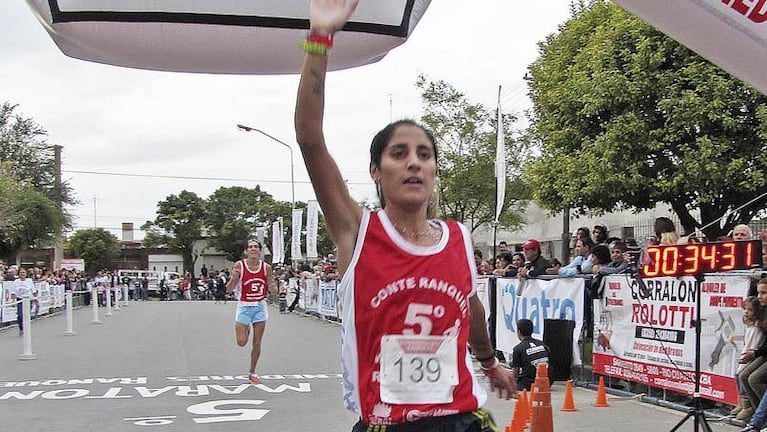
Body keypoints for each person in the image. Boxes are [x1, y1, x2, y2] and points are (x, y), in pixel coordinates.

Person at [294, 2, 515, 429]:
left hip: (460, 418)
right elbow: (309, 138)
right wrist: (320, 38)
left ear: (434, 171)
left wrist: (489, 363)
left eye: (424, 154)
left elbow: (471, 310)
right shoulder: (357, 231)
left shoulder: (457, 238)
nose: (414, 163)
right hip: (387, 423)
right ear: (377, 171)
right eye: (399, 153)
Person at [226, 238, 277, 385]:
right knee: (241, 342)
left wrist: (274, 288)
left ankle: (252, 372)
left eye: (256, 247)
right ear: (246, 250)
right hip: (244, 306)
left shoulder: (266, 267)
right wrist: (234, 279)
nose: (253, 249)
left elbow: (271, 285)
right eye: (250, 247)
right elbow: (229, 289)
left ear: (260, 250)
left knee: (257, 342)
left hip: (260, 306)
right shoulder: (240, 265)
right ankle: (246, 329)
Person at [731, 296, 765, 419]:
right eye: (744, 309)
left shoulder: (757, 327)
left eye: (749, 310)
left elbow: (755, 344)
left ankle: (751, 407)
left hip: (756, 354)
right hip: (752, 353)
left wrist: (752, 355)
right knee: (740, 375)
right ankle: (745, 404)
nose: (746, 312)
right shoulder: (750, 325)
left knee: (750, 377)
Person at [738, 279, 767, 423]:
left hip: (762, 352)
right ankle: (756, 412)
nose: (760, 296)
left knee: (755, 378)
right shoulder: (761, 309)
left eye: (764, 293)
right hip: (763, 352)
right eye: (759, 292)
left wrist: (755, 353)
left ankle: (761, 415)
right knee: (743, 375)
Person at [509, 319, 550, 391]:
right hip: (548, 381)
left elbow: (516, 373)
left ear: (519, 332)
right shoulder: (542, 344)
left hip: (529, 383)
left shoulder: (517, 349)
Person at [10, 268, 36, 336]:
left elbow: (33, 291)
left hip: (28, 300)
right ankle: (21, 329)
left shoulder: (29, 281)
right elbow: (13, 292)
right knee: (20, 315)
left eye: (23, 273)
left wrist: (36, 300)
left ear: (26, 274)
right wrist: (13, 301)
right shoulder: (16, 281)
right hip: (20, 300)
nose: (22, 274)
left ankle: (27, 329)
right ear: (19, 274)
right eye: (21, 273)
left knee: (26, 316)